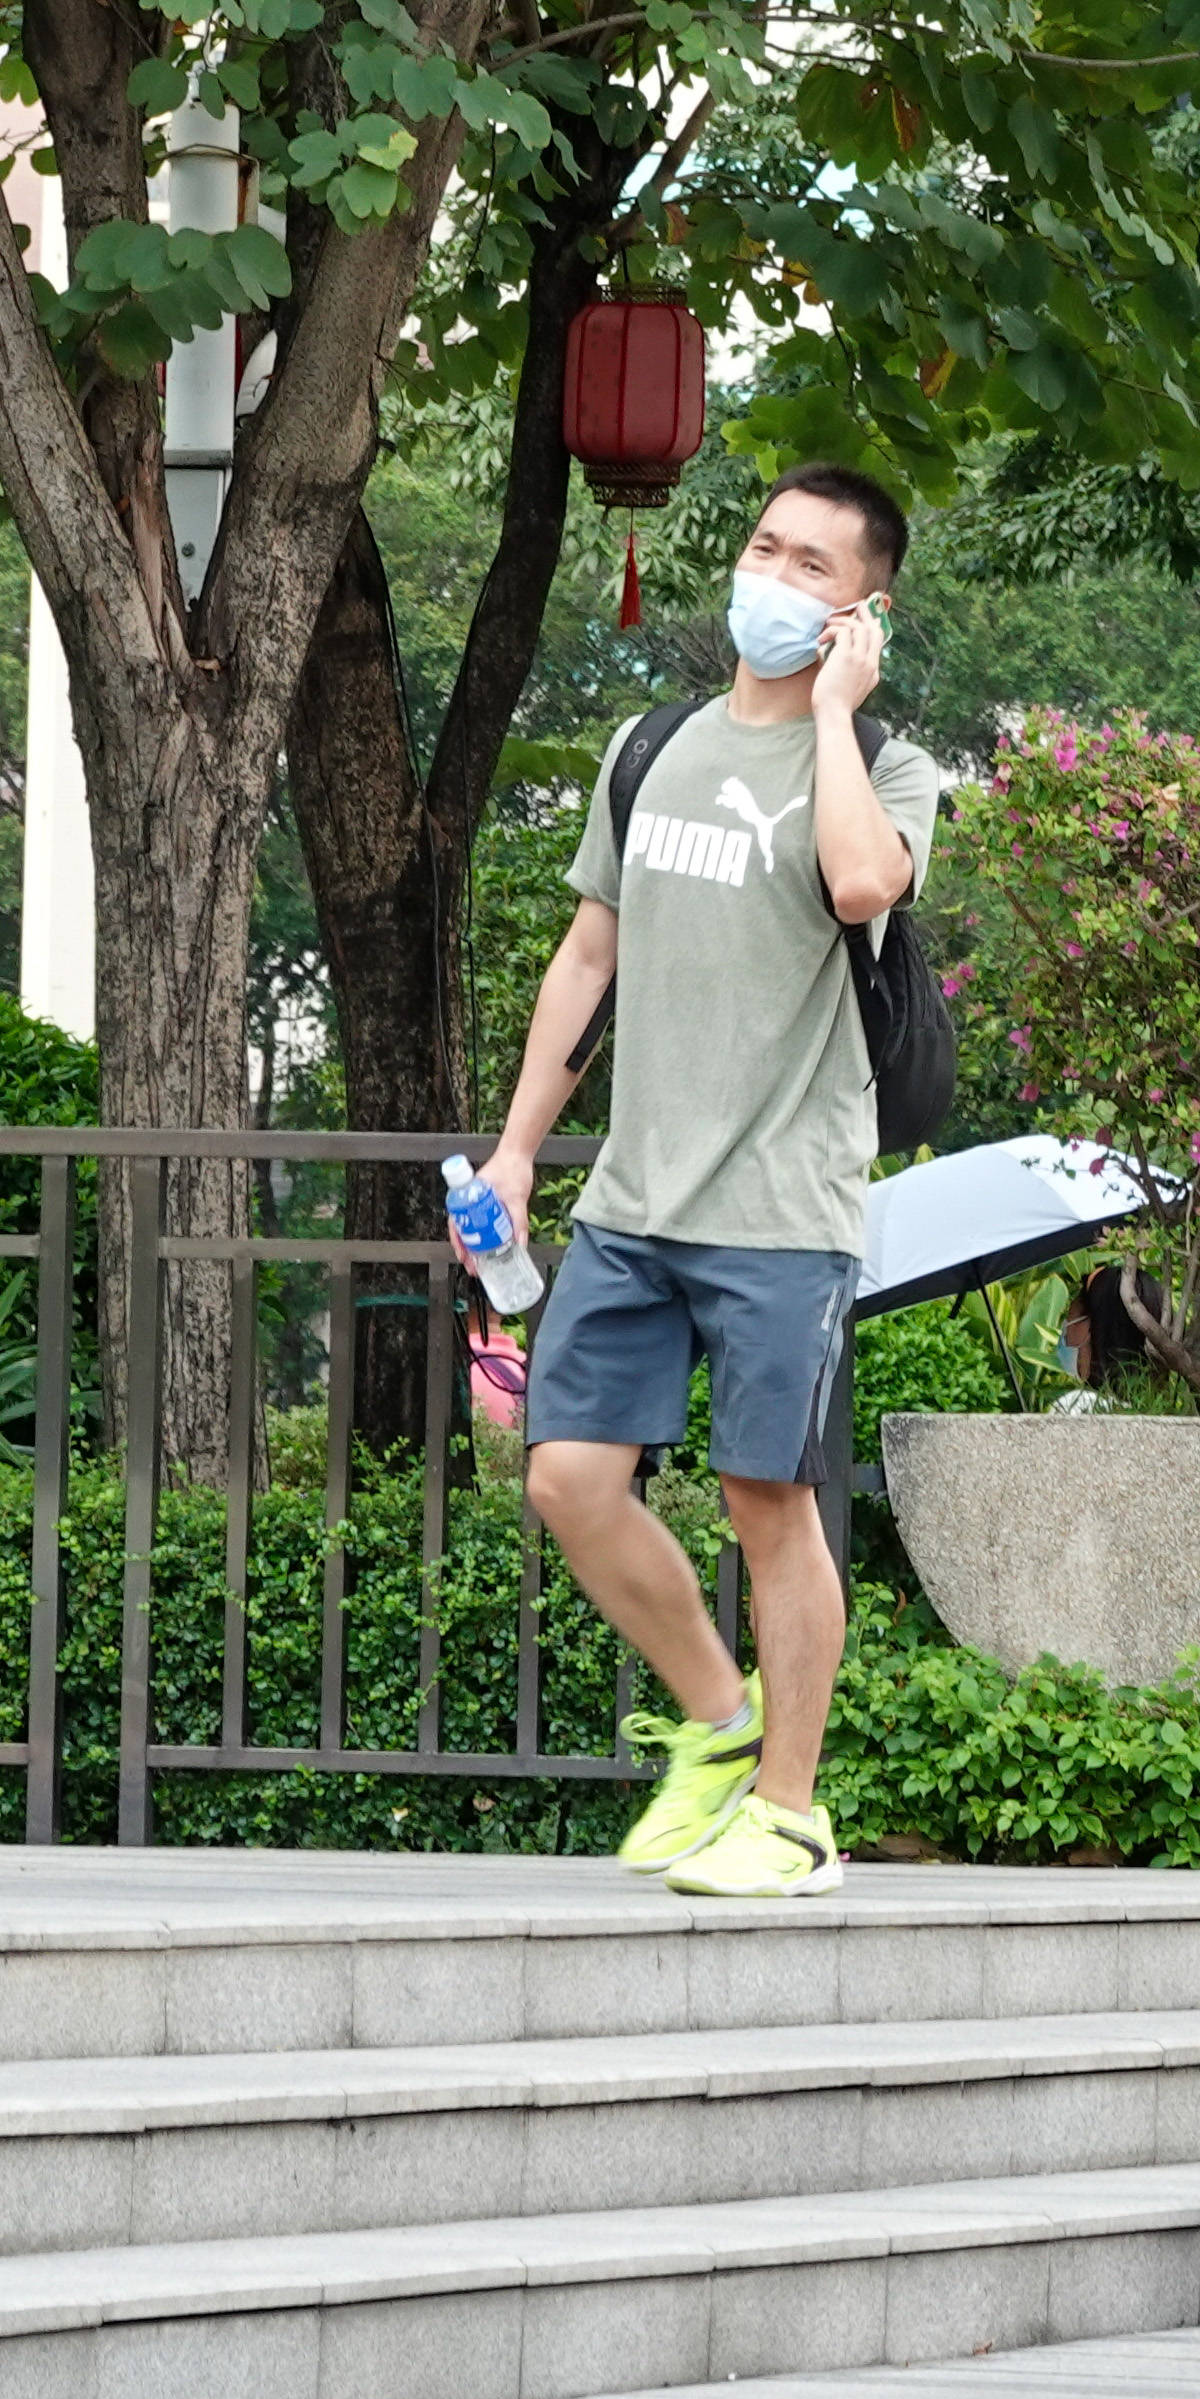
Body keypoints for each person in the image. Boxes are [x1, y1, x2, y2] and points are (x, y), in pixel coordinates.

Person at [472, 465, 944, 1901]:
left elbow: (863, 887)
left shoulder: (891, 765)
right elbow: (591, 954)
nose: (774, 577)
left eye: (813, 566)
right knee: (566, 1475)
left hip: (782, 1210)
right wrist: (510, 1144)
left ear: (864, 607)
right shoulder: (649, 746)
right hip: (632, 1197)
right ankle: (723, 1726)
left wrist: (835, 717)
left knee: (766, 1504)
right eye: (764, 547)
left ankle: (793, 1815)